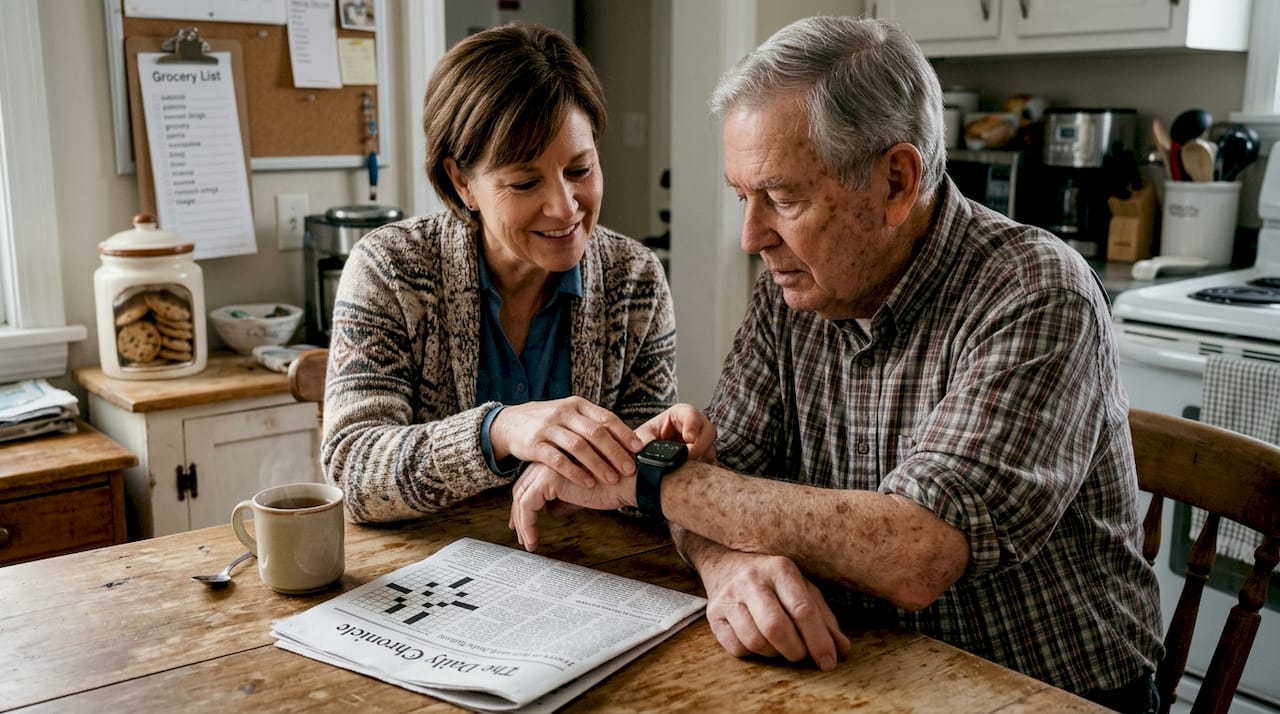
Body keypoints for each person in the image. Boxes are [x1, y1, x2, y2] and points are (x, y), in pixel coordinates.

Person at [509, 16, 1163, 713]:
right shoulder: (793, 286)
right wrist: (728, 562)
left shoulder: (1035, 290)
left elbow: (918, 552)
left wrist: (636, 476)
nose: (751, 237)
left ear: (896, 181)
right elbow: (720, 481)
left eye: (783, 198)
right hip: (864, 669)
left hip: (1043, 693)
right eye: (743, 197)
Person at [322, 23, 690, 524]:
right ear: (461, 182)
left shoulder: (635, 281)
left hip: (589, 569)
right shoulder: (390, 270)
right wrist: (498, 430)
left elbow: (646, 484)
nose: (564, 208)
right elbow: (353, 471)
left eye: (580, 170)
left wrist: (663, 455)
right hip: (426, 579)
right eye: (523, 182)